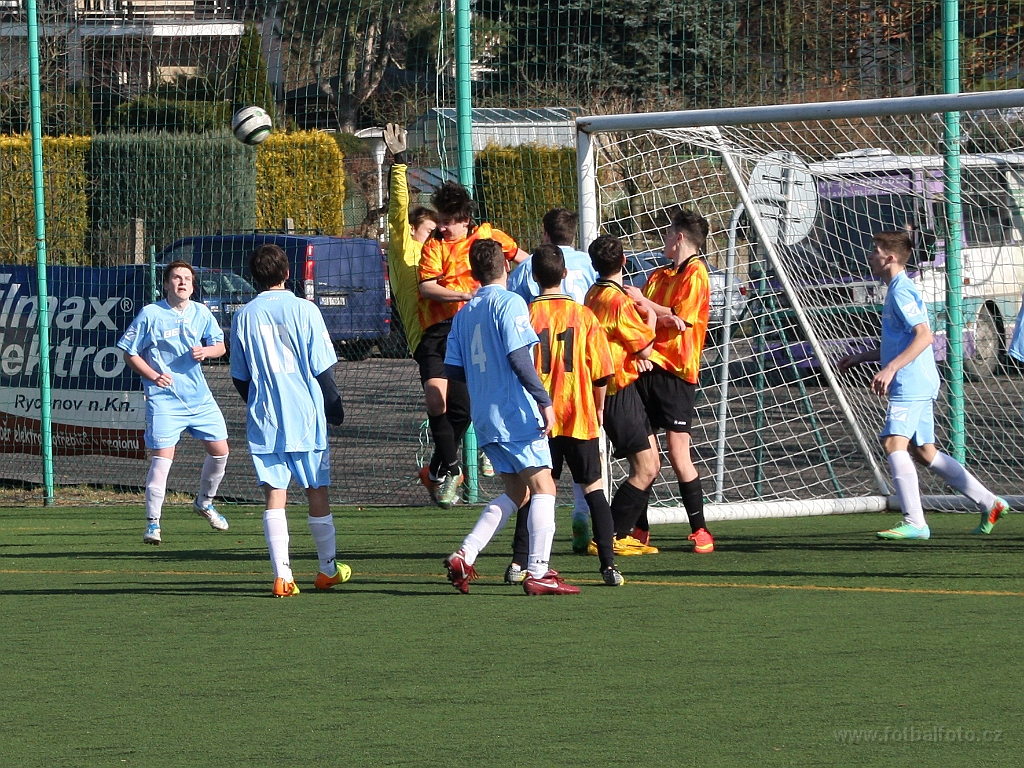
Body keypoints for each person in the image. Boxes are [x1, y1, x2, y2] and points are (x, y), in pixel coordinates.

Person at [837, 231, 1009, 539]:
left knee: (893, 444)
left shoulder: (902, 291)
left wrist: (890, 369)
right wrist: (863, 356)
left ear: (890, 258)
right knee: (924, 452)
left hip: (911, 382)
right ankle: (989, 502)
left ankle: (915, 521)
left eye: (875, 251)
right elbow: (901, 341)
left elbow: (924, 336)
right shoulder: (895, 289)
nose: (870, 256)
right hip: (917, 379)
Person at [442, 239, 579, 595]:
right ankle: (539, 571)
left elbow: (453, 371)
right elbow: (519, 358)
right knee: (545, 486)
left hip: (485, 416)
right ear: (505, 265)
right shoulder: (510, 302)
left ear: (473, 272)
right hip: (514, 411)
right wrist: (543, 400)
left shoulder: (464, 314)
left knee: (517, 493)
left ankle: (465, 554)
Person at [229, 244, 351, 596]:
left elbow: (239, 376)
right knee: (316, 489)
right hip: (305, 415)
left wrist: (257, 404)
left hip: (266, 418)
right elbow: (322, 368)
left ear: (254, 277)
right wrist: (334, 407)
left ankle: (282, 576)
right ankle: (327, 569)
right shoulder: (305, 309)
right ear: (286, 273)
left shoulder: (243, 316)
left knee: (274, 494)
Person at [505, 244, 623, 586]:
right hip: (578, 414)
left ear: (533, 277)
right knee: (594, 489)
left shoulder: (525, 315)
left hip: (539, 419)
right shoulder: (584, 316)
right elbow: (601, 371)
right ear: (566, 274)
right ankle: (608, 565)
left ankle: (518, 562)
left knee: (535, 491)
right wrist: (598, 405)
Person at [416, 181, 528, 508]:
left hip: (475, 330)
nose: (441, 227)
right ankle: (452, 469)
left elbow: (524, 259)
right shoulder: (434, 247)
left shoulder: (488, 237)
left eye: (447, 221)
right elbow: (426, 287)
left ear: (465, 220)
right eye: (439, 220)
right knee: (436, 399)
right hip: (440, 330)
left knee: (464, 408)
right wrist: (464, 295)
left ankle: (438, 469)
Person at [508, 207, 601, 551]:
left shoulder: (528, 269)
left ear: (545, 234)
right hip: (579, 379)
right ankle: (582, 514)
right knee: (588, 466)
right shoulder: (589, 265)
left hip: (541, 385)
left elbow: (515, 319)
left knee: (540, 473)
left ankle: (526, 553)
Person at [118, 260, 230, 545]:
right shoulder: (151, 314)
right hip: (164, 401)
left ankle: (204, 502)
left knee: (220, 452)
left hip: (199, 399)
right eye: (177, 278)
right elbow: (129, 353)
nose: (182, 282)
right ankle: (153, 524)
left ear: (192, 286)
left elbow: (220, 346)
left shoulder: (201, 312)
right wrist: (154, 376)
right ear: (166, 284)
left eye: (187, 279)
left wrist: (206, 351)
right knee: (162, 459)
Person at [625, 209, 715, 554]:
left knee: (679, 454)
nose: (663, 238)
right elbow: (646, 316)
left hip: (677, 373)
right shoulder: (658, 275)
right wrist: (650, 314)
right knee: (645, 458)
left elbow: (682, 318)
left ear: (679, 237)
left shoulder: (696, 273)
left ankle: (700, 530)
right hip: (647, 368)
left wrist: (648, 304)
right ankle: (640, 529)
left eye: (667, 232)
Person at [584, 235, 661, 556]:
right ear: (625, 261)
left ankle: (623, 532)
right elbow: (645, 348)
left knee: (652, 463)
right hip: (616, 390)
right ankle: (609, 537)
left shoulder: (593, 294)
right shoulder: (617, 301)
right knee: (645, 468)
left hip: (618, 387)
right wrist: (651, 316)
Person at [383, 123, 437, 359]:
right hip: (424, 341)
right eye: (429, 231)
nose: (433, 237)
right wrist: (399, 162)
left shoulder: (438, 252)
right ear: (412, 228)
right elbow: (398, 207)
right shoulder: (404, 247)